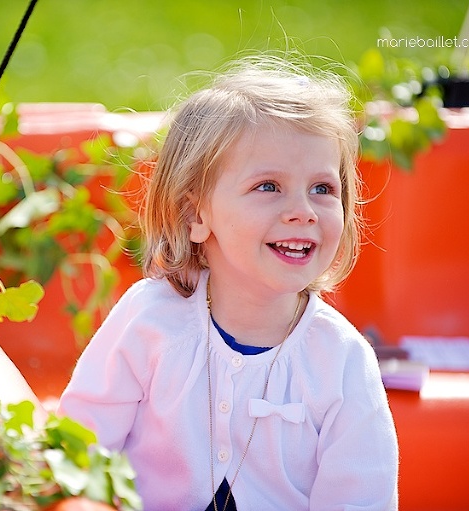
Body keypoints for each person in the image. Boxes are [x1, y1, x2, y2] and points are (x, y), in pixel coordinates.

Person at [58, 56, 399, 510]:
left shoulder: (341, 362)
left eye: (322, 188)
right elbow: (76, 451)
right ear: (197, 214)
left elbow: (361, 500)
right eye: (268, 187)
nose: (304, 210)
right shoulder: (150, 319)